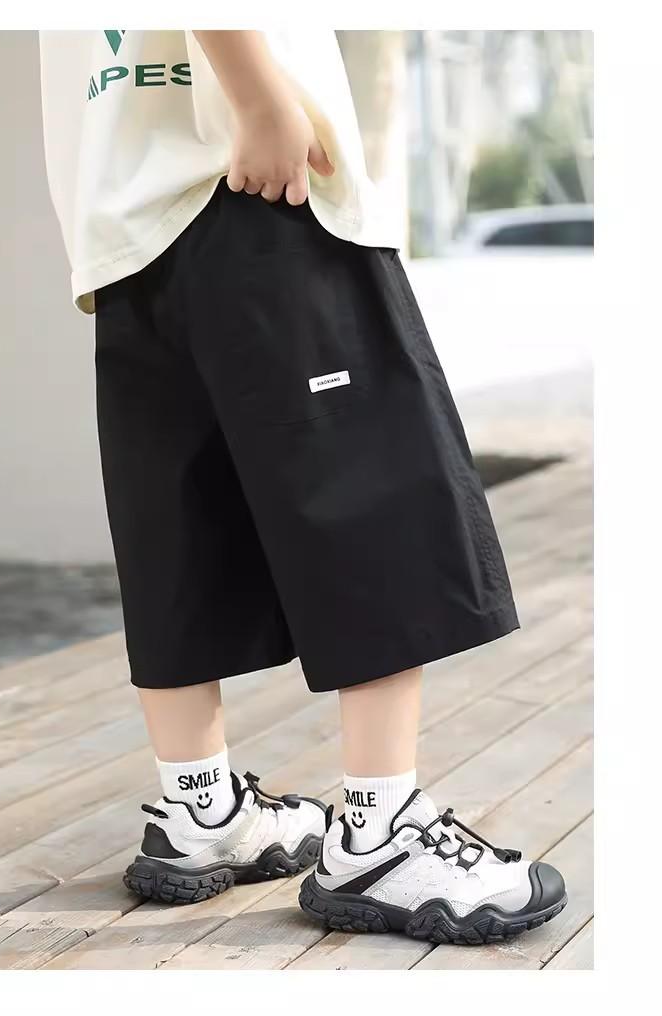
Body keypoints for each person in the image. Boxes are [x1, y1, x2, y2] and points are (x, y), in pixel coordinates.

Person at [39, 29, 567, 944]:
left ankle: (199, 809)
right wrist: (259, 98)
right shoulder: (251, 123)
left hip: (125, 221)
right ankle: (379, 836)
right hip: (256, 175)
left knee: (175, 517)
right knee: (377, 498)